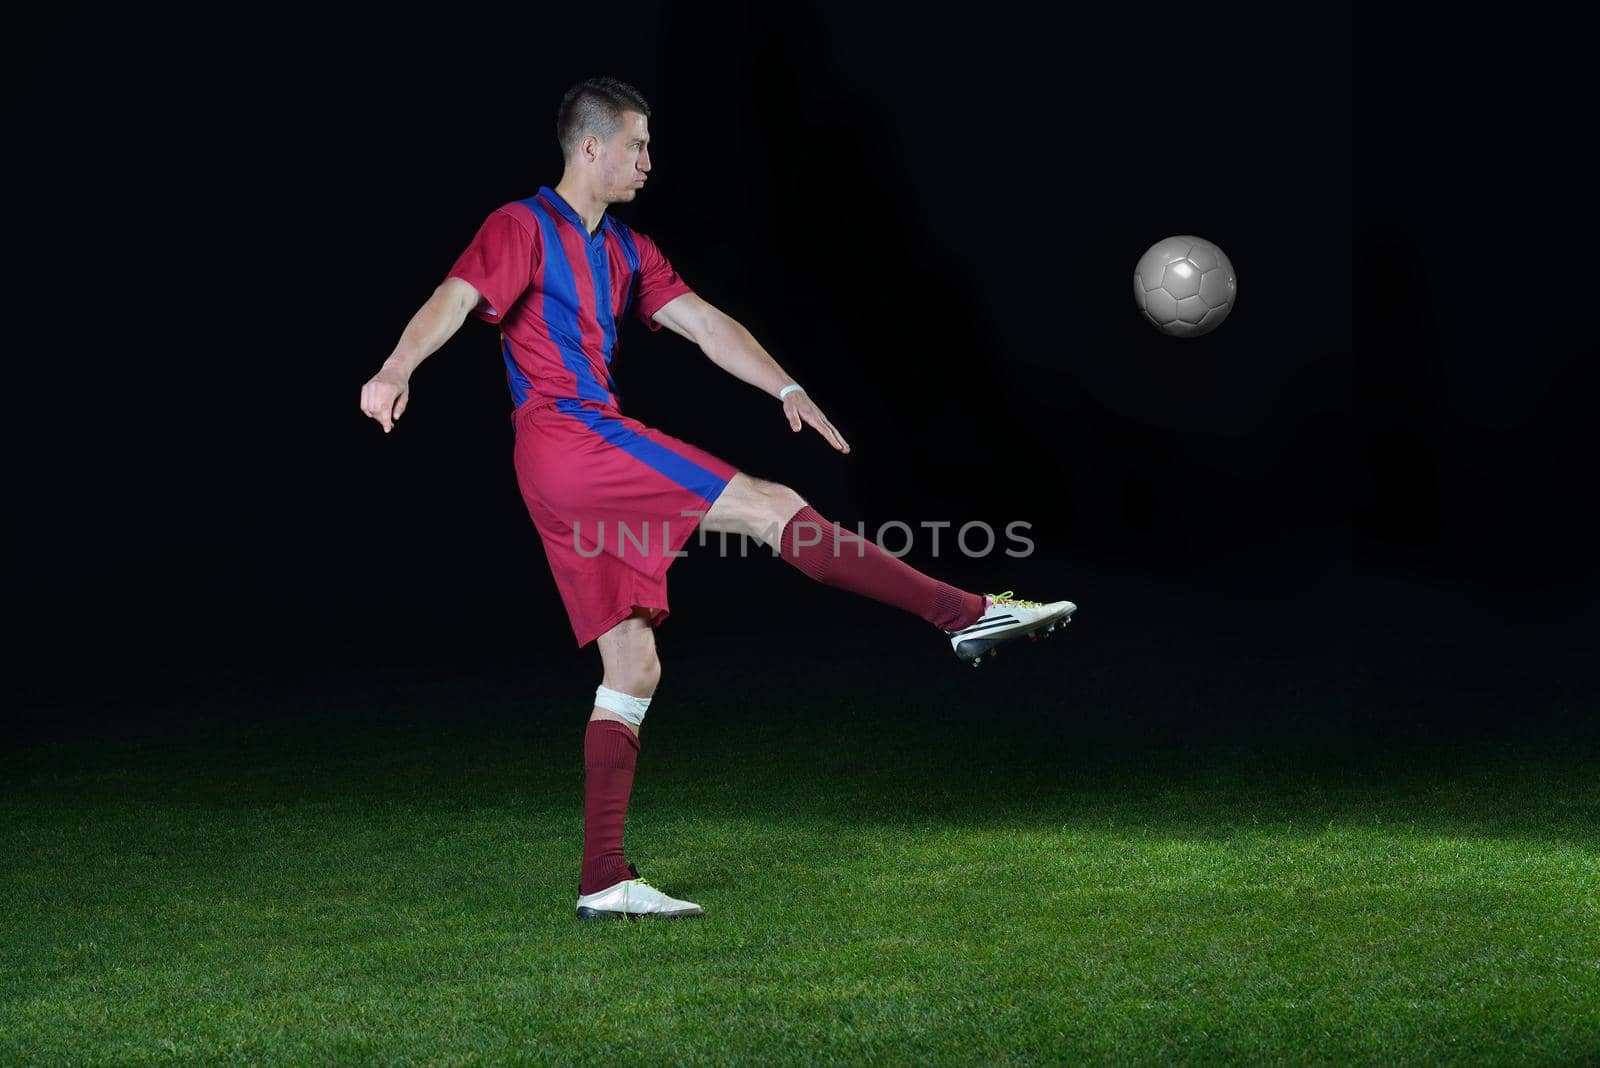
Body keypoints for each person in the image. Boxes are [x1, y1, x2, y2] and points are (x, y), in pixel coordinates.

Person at [359, 76, 1076, 922]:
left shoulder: (626, 248)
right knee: (772, 507)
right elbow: (457, 298)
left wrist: (786, 386)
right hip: (570, 437)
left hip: (557, 462)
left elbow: (704, 323)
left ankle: (603, 880)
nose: (649, 161)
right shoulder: (521, 227)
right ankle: (964, 614)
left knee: (633, 667)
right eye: (637, 145)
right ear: (590, 148)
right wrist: (396, 368)